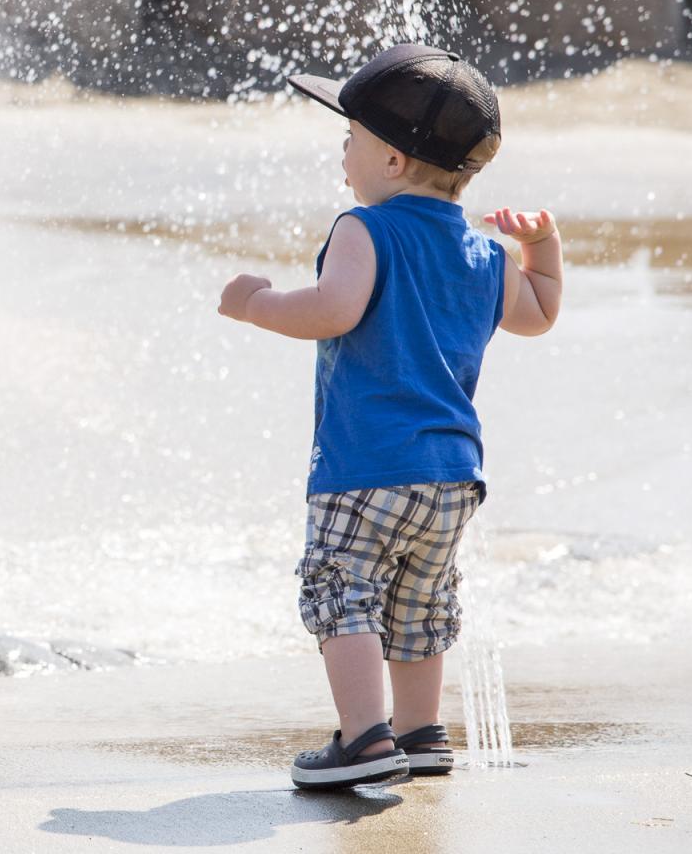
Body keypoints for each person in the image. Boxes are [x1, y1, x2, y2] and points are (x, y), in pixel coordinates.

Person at [217, 44, 562, 790]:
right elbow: (538, 314)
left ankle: (367, 741)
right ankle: (422, 732)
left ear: (394, 161)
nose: (344, 151)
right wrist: (541, 244)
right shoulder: (485, 252)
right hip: (452, 477)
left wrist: (255, 305)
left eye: (352, 137)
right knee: (421, 603)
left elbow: (332, 311)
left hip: (364, 466)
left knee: (342, 591)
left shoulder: (363, 229)